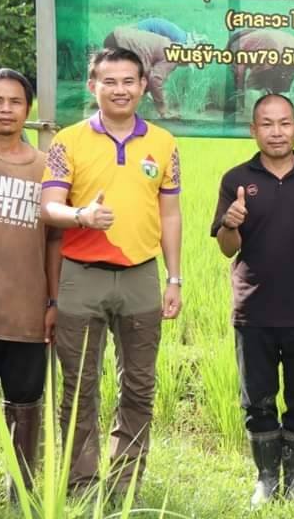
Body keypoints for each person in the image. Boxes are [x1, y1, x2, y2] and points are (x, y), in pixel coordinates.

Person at [40, 47, 183, 494]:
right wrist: (80, 215)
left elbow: (172, 214)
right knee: (79, 388)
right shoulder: (69, 140)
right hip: (81, 276)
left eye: (128, 81)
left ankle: (125, 485)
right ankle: (80, 483)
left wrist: (174, 277)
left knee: (139, 385)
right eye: (109, 81)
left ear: (143, 86)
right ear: (93, 87)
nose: (119, 90)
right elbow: (48, 207)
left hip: (141, 276)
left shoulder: (162, 143)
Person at [211, 94, 294, 507]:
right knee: (258, 399)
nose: (276, 132)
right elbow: (228, 248)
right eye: (267, 124)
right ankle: (266, 479)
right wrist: (231, 223)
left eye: (284, 123)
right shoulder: (235, 178)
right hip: (254, 310)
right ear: (254, 130)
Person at [0, 70, 61, 509]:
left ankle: (21, 488)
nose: (6, 109)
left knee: (26, 401)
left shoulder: (46, 167)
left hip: (26, 309)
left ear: (29, 108)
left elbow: (56, 240)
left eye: (16, 101)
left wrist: (53, 299)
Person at [103, 18, 188, 119]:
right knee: (133, 80)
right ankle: (162, 112)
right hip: (119, 43)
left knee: (140, 79)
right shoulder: (173, 56)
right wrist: (163, 110)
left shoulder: (169, 45)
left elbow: (150, 78)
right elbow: (155, 80)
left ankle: (106, 103)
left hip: (115, 37)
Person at [227, 29, 294, 109]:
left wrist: (240, 95)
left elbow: (239, 73)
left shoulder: (239, 43)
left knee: (253, 85)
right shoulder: (258, 35)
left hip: (274, 54)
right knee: (281, 89)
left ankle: (251, 114)